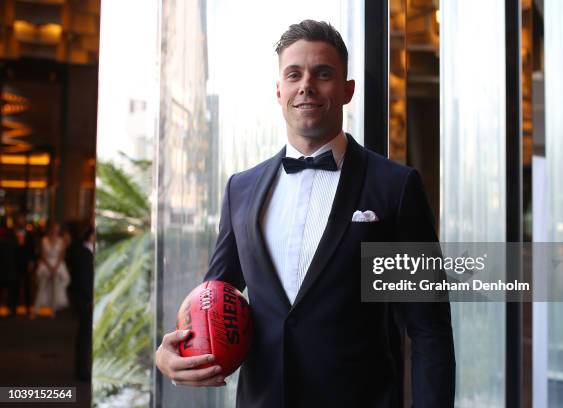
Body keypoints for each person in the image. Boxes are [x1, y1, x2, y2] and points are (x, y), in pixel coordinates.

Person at [156, 20, 455, 407]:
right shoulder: (240, 191)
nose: (306, 86)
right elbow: (213, 297)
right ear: (279, 90)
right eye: (293, 74)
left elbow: (429, 330)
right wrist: (172, 355)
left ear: (347, 91)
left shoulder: (394, 188)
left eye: (323, 73)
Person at [69, 225, 95, 380]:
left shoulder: (85, 252)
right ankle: (82, 370)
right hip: (85, 301)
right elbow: (85, 280)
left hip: (84, 300)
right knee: (84, 337)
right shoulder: (85, 253)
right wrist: (90, 299)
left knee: (84, 336)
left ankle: (82, 368)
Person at [32, 221, 71, 318]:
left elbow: (62, 256)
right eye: (53, 228)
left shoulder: (62, 241)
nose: (55, 231)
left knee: (56, 287)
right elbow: (43, 255)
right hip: (46, 265)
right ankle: (35, 309)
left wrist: (55, 268)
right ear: (50, 229)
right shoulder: (44, 240)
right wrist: (49, 267)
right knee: (41, 286)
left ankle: (53, 310)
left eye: (57, 229)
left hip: (57, 266)